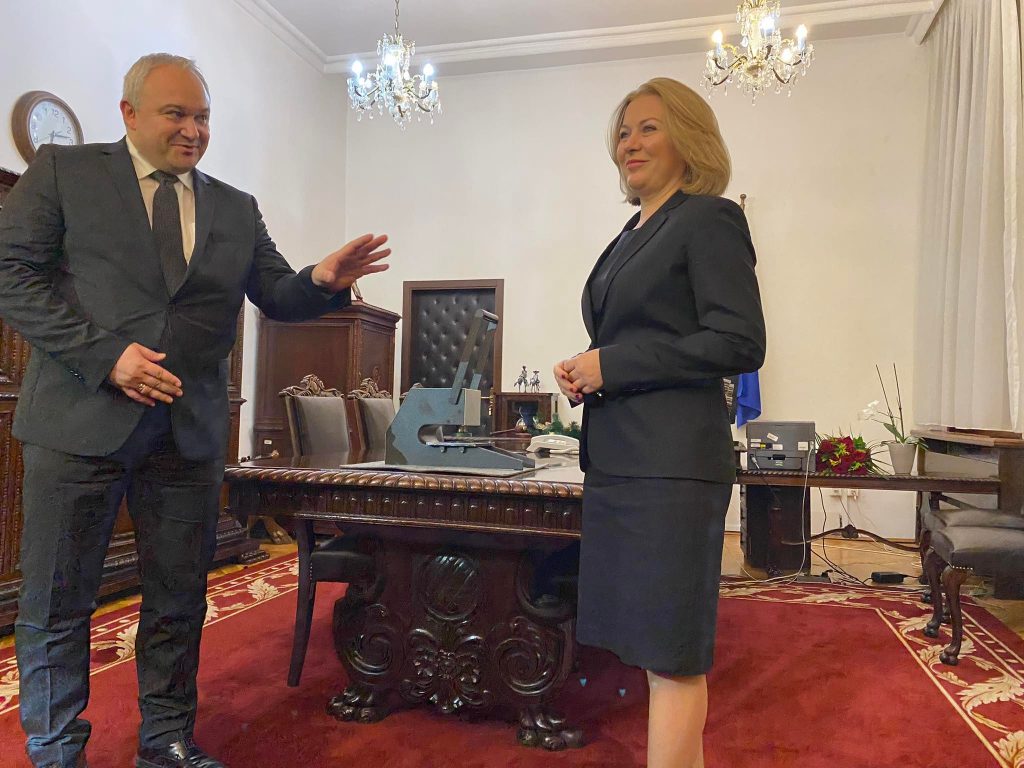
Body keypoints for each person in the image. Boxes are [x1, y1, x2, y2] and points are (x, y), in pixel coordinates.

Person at [0, 53, 391, 768]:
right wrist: (105, 356)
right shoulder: (63, 173)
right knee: (57, 602)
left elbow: (277, 293)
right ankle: (56, 751)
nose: (193, 129)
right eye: (175, 114)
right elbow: (12, 277)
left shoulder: (235, 207)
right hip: (76, 424)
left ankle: (167, 740)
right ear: (129, 114)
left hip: (187, 434)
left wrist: (321, 278)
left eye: (203, 117)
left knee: (178, 597)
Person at [554, 77, 765, 768]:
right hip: (621, 464)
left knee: (672, 653)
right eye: (623, 132)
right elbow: (642, 338)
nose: (631, 143)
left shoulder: (708, 218)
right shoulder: (629, 235)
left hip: (673, 468)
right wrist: (590, 367)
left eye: (649, 127)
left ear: (688, 138)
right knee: (650, 651)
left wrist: (614, 364)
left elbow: (740, 341)